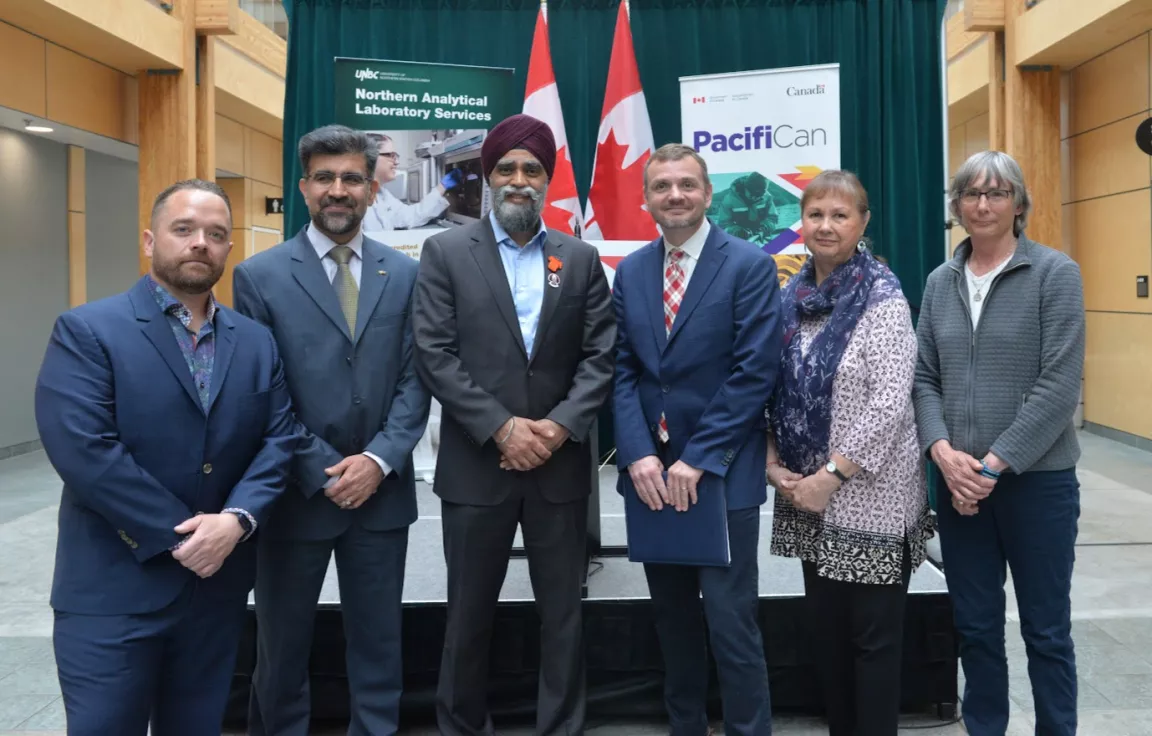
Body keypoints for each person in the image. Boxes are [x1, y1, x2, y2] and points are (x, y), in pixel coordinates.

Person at [34, 179, 298, 735]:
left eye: (216, 234)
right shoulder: (87, 331)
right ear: (152, 241)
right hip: (114, 591)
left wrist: (236, 521)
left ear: (229, 249)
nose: (200, 242)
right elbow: (85, 451)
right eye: (184, 230)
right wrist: (184, 538)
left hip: (215, 593)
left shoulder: (256, 342)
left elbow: (278, 441)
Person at [412, 113, 616, 736]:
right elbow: (434, 353)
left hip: (558, 471)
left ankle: (561, 727)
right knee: (467, 615)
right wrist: (503, 428)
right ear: (487, 175)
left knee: (564, 618)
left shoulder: (578, 259)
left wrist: (556, 429)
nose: (519, 180)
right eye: (507, 168)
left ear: (548, 181)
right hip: (478, 468)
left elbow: (600, 355)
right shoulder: (445, 251)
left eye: (532, 169)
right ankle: (462, 726)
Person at [233, 124, 431, 736]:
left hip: (381, 497)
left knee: (379, 651)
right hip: (294, 495)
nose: (338, 190)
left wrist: (378, 461)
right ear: (304, 187)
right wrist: (323, 468)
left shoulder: (404, 275)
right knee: (281, 650)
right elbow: (263, 390)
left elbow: (416, 380)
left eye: (351, 178)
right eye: (325, 177)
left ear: (372, 189)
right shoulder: (259, 276)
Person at [612, 143, 782, 736]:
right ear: (646, 199)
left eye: (687, 184)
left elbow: (754, 372)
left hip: (721, 477)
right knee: (673, 623)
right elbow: (624, 370)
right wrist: (635, 454)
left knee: (732, 625)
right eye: (662, 186)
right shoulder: (631, 271)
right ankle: (685, 727)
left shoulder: (750, 265)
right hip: (652, 480)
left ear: (709, 194)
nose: (675, 195)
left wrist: (699, 458)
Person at [914, 150, 1085, 736]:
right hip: (957, 484)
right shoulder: (941, 282)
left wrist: (988, 468)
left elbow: (1060, 385)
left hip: (1037, 486)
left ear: (1018, 204)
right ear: (957, 206)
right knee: (978, 627)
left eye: (997, 193)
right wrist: (942, 451)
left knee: (1046, 630)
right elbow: (924, 378)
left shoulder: (1055, 273)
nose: (982, 205)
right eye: (970, 194)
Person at [765, 170, 932, 736]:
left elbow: (890, 404)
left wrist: (830, 476)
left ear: (862, 222)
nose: (826, 225)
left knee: (872, 642)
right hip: (807, 495)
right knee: (828, 636)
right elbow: (769, 388)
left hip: (872, 498)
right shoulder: (788, 298)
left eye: (840, 215)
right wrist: (772, 462)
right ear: (802, 223)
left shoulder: (882, 298)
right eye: (816, 214)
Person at [362, 132, 461, 230]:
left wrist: (442, 187)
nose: (397, 162)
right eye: (391, 156)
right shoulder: (356, 198)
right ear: (370, 158)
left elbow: (410, 216)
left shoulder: (382, 194)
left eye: (396, 156)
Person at [711, 171, 779, 243]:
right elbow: (723, 225)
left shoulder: (767, 197)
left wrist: (764, 229)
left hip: (763, 238)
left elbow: (773, 219)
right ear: (745, 188)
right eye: (752, 194)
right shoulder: (729, 200)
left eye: (759, 196)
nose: (754, 198)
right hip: (739, 241)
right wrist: (738, 232)